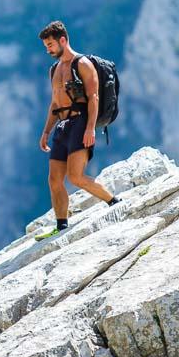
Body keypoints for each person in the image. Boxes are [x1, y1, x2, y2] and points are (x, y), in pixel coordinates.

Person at [36, 20, 120, 238]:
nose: (48, 49)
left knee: (75, 176)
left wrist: (90, 128)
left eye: (51, 44)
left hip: (80, 122)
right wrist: (46, 132)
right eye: (46, 46)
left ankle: (114, 201)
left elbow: (93, 97)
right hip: (62, 126)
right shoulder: (54, 69)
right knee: (54, 179)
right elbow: (55, 103)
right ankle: (61, 225)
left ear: (63, 40)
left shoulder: (82, 64)